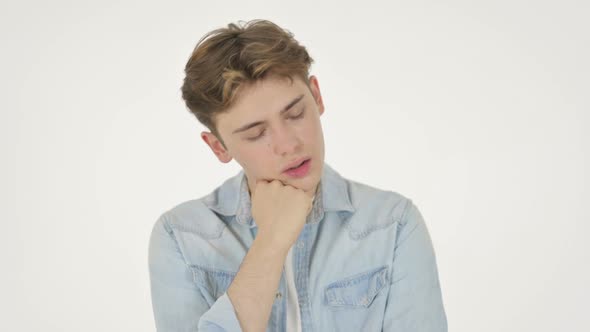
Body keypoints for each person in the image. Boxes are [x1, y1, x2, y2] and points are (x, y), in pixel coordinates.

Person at [148, 19, 447, 332]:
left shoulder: (393, 225)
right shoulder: (181, 237)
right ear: (219, 147)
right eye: (256, 133)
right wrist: (272, 242)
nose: (289, 144)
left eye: (295, 114)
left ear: (316, 96)